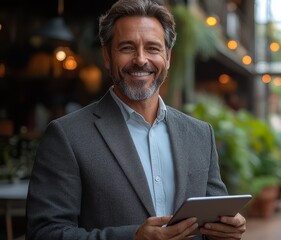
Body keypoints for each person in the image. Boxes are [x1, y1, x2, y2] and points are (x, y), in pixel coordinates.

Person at [26, 0, 247, 239]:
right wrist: (133, 237)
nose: (141, 59)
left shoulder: (200, 134)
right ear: (107, 57)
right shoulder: (66, 136)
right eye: (127, 48)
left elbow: (213, 222)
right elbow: (44, 233)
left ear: (168, 56)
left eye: (153, 48)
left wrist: (228, 228)